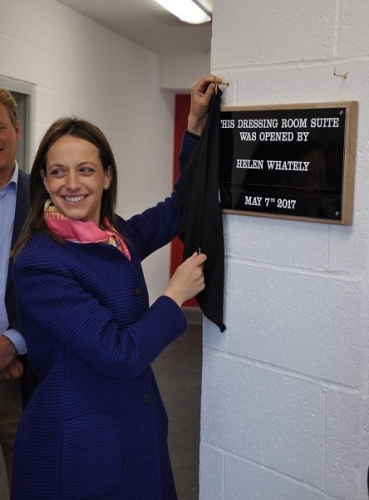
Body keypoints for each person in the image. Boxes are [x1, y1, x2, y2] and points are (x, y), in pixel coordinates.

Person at [10, 74, 220, 500]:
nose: (72, 184)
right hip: (80, 449)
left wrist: (195, 127)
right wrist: (173, 296)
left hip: (133, 429)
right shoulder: (38, 262)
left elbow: (177, 207)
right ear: (45, 183)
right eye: (58, 172)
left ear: (106, 177)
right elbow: (118, 353)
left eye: (85, 170)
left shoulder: (114, 235)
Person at [0, 88, 34, 497]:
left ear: (17, 130)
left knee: (30, 484)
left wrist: (13, 343)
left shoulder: (44, 202)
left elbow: (57, 284)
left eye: (0, 127)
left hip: (21, 381)